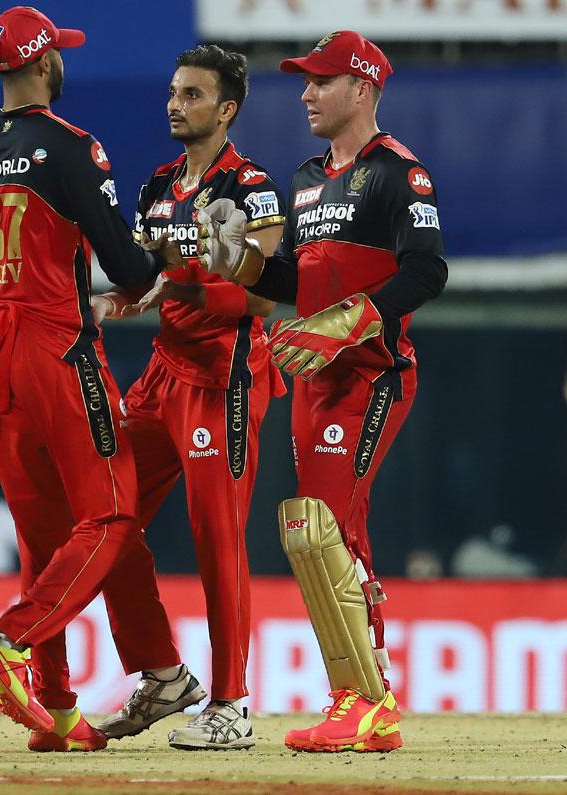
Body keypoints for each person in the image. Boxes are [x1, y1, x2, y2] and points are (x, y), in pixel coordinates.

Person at [197, 30, 447, 752]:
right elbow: (290, 282)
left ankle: (362, 698)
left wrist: (350, 322)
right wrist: (234, 257)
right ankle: (370, 699)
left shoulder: (401, 173)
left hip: (372, 374)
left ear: (362, 88)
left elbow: (427, 272)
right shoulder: (306, 178)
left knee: (323, 524)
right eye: (305, 81)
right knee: (330, 529)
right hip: (314, 377)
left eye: (321, 81)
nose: (305, 93)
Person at [0, 6, 175, 753]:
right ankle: (7, 640)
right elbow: (129, 266)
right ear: (44, 64)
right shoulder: (72, 147)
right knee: (110, 513)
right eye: (60, 55)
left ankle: (58, 709)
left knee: (42, 536)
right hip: (53, 341)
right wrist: (164, 253)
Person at [90, 45, 286, 750]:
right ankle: (165, 675)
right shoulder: (159, 186)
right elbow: (157, 267)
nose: (175, 104)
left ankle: (231, 704)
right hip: (163, 375)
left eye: (193, 95)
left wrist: (185, 283)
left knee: (216, 537)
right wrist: (140, 290)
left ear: (226, 109)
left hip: (223, 379)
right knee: (103, 517)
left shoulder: (254, 187)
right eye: (173, 92)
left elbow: (265, 295)